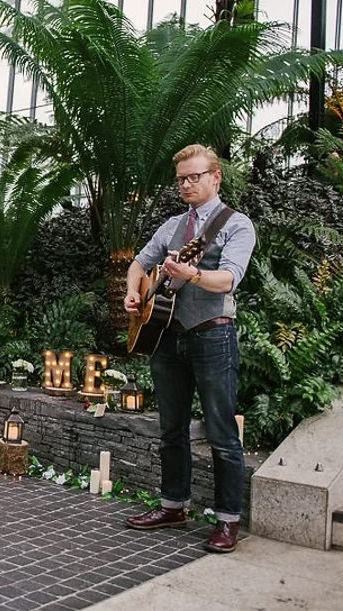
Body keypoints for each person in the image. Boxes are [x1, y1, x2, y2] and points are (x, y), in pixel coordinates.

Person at [123, 144, 256, 553]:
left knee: (221, 432)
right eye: (181, 178)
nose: (186, 184)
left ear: (215, 177)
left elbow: (228, 280)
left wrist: (192, 274)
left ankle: (227, 520)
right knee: (170, 429)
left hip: (213, 335)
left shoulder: (237, 225)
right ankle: (172, 505)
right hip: (167, 335)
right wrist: (132, 293)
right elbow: (139, 264)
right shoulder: (172, 226)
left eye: (194, 176)